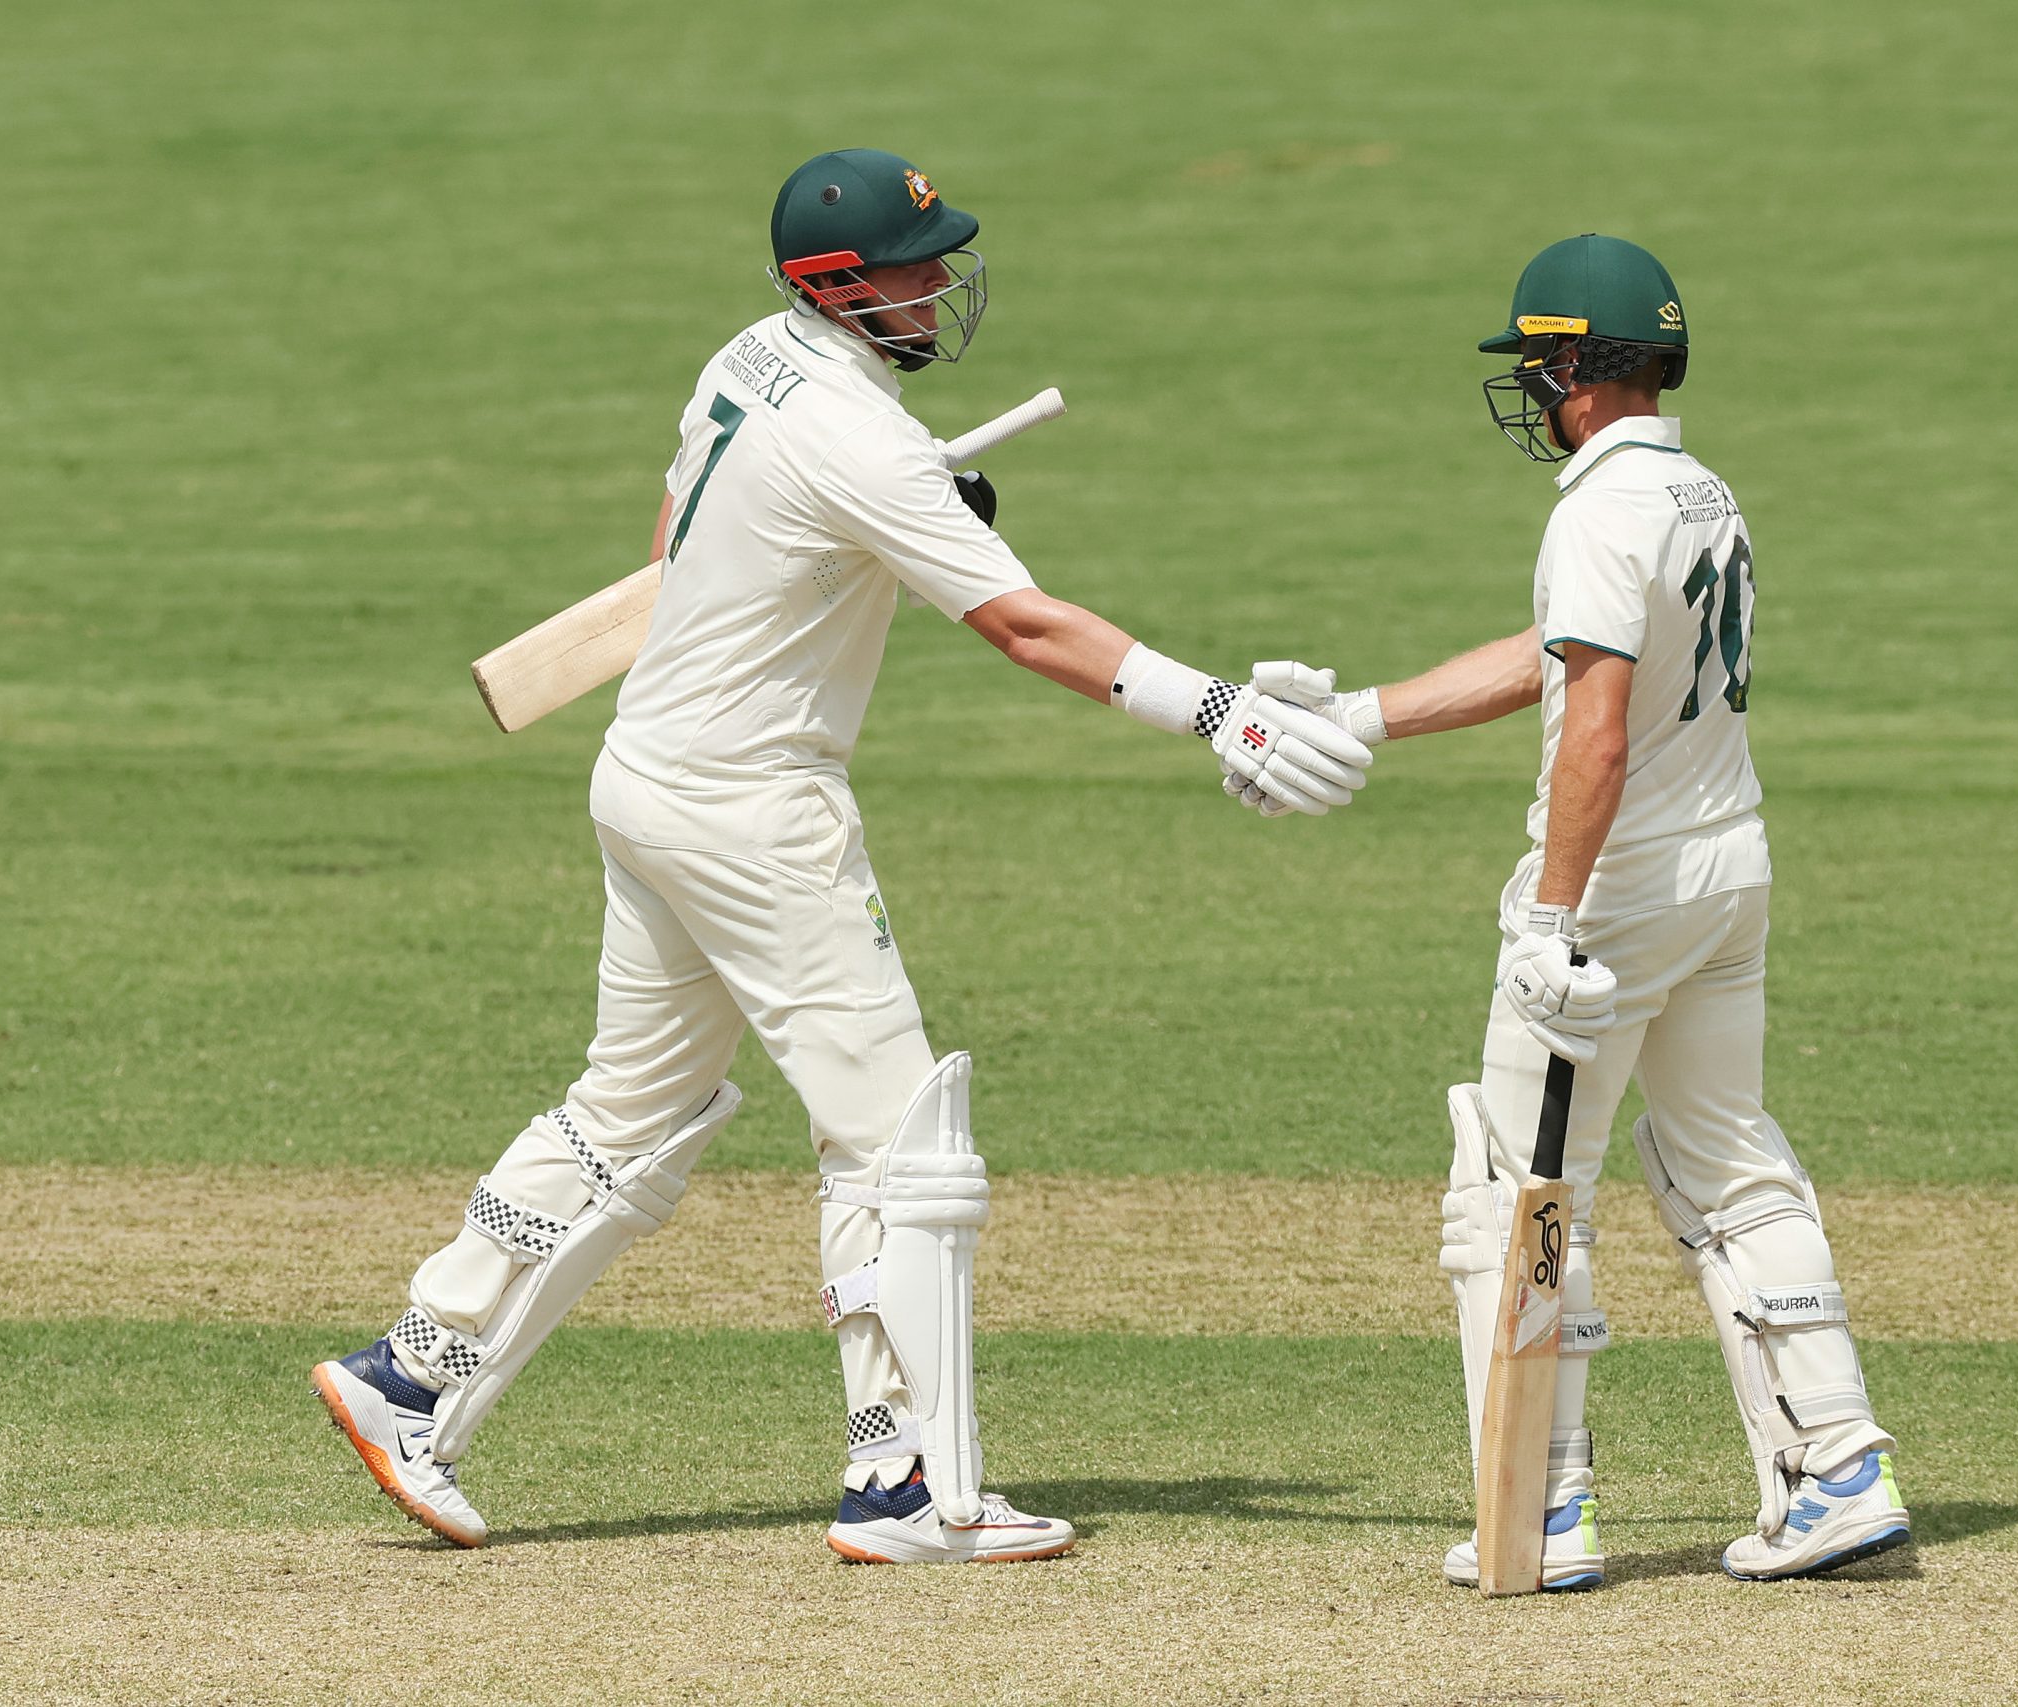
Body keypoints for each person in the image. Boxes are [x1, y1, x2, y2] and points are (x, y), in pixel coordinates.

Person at [309, 147, 1372, 1565]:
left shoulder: (748, 359)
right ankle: (909, 1484)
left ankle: (410, 1371)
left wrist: (901, 522)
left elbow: (681, 537)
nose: (940, 287)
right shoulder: (864, 445)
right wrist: (1225, 715)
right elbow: (1026, 628)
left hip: (648, 777)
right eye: (914, 269)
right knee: (895, 1143)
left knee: (631, 1115)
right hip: (757, 813)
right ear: (838, 285)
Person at [1241, 234, 1909, 1586]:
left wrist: (1551, 920)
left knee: (1520, 1191)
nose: (1533, 393)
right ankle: (1838, 1469)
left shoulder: (1599, 508)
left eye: (1541, 365)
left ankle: (1538, 1510)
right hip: (1729, 876)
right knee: (1728, 1162)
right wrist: (1360, 715)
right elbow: (1557, 656)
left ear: (1584, 374)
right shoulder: (1696, 489)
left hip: (1618, 896)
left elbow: (1592, 731)